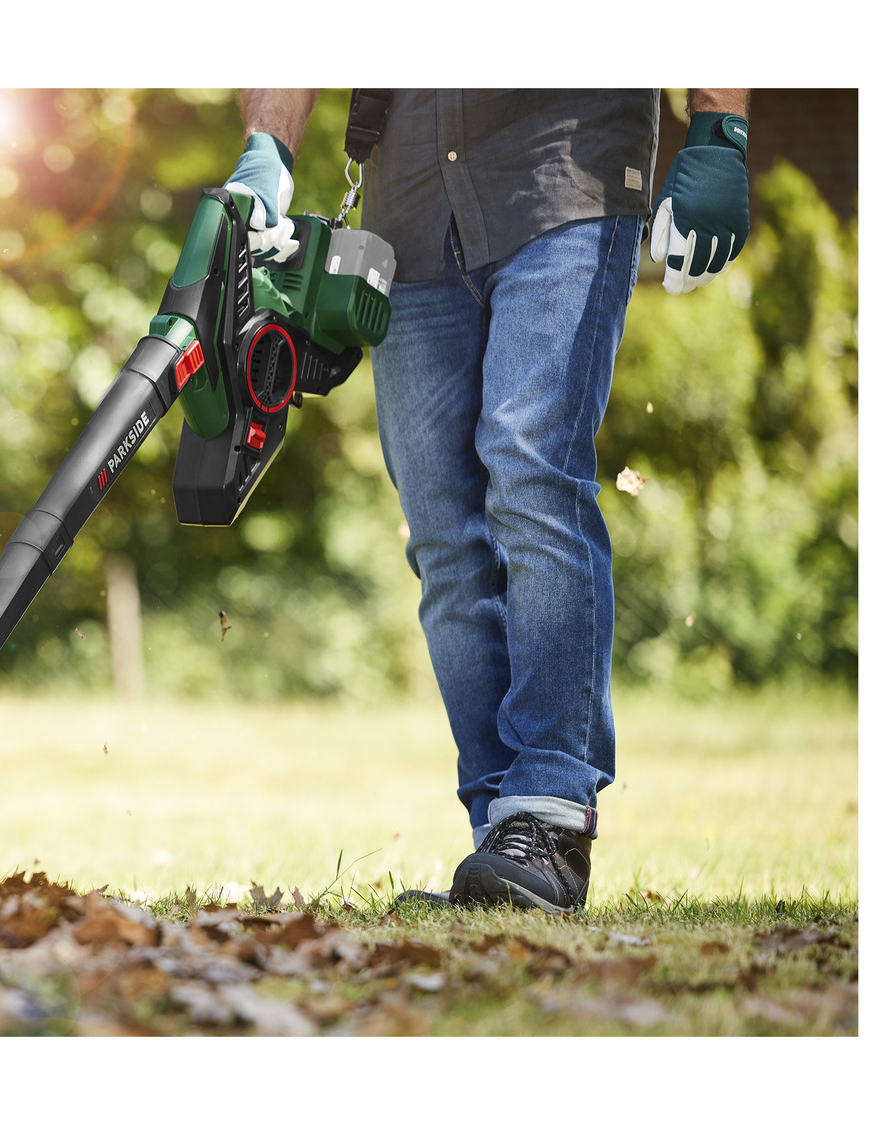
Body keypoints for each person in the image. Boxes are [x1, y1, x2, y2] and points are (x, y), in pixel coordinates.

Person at [224, 89, 751, 912]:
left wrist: (720, 127)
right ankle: (503, 840)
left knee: (532, 468)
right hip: (411, 206)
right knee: (441, 532)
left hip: (563, 168)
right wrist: (268, 150)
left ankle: (549, 815)